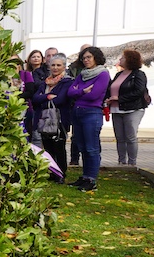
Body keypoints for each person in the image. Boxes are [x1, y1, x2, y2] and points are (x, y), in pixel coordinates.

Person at [66, 47, 111, 192]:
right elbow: (70, 92)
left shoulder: (103, 74)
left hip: (92, 113)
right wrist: (82, 91)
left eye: (89, 57)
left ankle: (91, 179)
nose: (86, 60)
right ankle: (85, 177)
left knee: (91, 148)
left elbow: (94, 95)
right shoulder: (82, 74)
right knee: (82, 146)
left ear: (96, 58)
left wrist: (78, 92)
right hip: (78, 112)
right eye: (84, 58)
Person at [31, 53, 72, 182]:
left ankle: (61, 173)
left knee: (59, 147)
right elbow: (35, 98)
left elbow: (60, 99)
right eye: (53, 65)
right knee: (47, 148)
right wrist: (47, 96)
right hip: (43, 118)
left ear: (64, 67)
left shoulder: (67, 81)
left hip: (59, 119)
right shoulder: (45, 83)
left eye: (58, 65)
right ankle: (52, 172)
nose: (55, 67)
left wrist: (44, 97)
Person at [105, 49, 148, 167]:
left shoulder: (138, 74)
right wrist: (108, 99)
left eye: (122, 58)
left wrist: (120, 98)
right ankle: (121, 161)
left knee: (130, 136)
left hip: (132, 109)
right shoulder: (119, 74)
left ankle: (132, 163)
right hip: (116, 109)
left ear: (130, 59)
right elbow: (111, 89)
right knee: (119, 137)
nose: (120, 60)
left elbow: (139, 91)